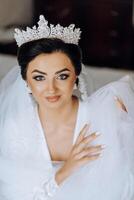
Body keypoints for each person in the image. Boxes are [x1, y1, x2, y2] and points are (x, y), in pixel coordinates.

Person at [0, 15, 134, 200]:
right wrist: (65, 171)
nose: (51, 88)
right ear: (26, 82)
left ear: (76, 77)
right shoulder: (15, 127)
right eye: (39, 78)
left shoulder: (105, 114)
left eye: (61, 76)